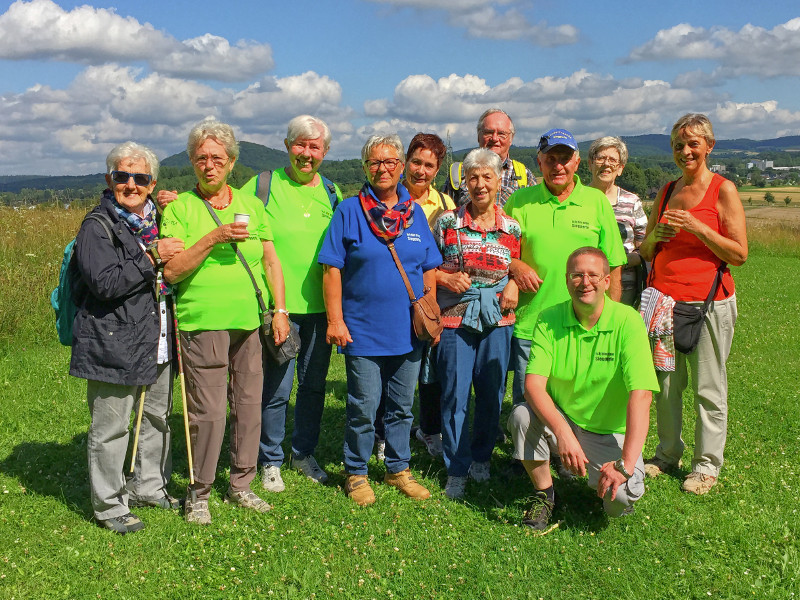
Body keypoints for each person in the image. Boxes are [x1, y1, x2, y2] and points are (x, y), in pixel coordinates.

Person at [161, 118, 290, 524]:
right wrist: (213, 239)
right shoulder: (181, 208)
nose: (210, 165)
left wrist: (280, 309)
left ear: (232, 162)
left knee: (250, 406)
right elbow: (173, 271)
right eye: (202, 158)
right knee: (210, 411)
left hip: (249, 321)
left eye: (218, 158)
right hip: (202, 321)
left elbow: (271, 261)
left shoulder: (251, 206)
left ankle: (241, 484)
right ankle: (198, 491)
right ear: (192, 163)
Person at [318, 134, 442, 506]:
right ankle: (356, 473)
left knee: (403, 406)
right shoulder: (350, 211)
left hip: (408, 332)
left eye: (390, 162)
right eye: (374, 162)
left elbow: (430, 268)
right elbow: (331, 268)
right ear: (365, 168)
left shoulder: (416, 212)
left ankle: (397, 469)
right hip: (363, 331)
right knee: (363, 405)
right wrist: (335, 320)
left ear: (401, 167)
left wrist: (430, 312)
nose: (383, 169)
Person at [70, 142, 184, 534]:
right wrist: (152, 256)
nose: (131, 184)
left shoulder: (158, 219)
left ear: (152, 184)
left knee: (157, 415)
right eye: (122, 177)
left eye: (140, 178)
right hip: (112, 338)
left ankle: (149, 486)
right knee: (112, 426)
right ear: (109, 180)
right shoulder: (96, 227)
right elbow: (104, 283)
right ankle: (109, 504)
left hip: (158, 335)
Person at [507, 247, 659, 531]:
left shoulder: (628, 322)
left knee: (620, 498)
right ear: (567, 280)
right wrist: (564, 434)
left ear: (606, 282)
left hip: (608, 431)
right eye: (576, 275)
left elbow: (642, 395)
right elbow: (533, 386)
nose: (584, 282)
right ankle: (545, 494)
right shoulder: (549, 319)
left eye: (593, 275)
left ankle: (603, 478)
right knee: (521, 417)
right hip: (565, 419)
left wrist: (624, 465)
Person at [639, 113, 747, 495]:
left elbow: (739, 253)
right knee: (666, 385)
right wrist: (658, 236)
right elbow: (645, 247)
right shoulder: (667, 191)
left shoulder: (723, 190)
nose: (685, 151)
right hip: (665, 303)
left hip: (708, 303)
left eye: (693, 144)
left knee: (708, 386)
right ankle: (667, 454)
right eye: (678, 145)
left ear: (709, 146)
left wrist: (699, 228)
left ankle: (706, 466)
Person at [238, 116, 342, 493]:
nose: (306, 153)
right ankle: (270, 459)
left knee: (313, 385)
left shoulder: (332, 192)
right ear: (287, 145)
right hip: (277, 307)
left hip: (320, 309)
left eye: (314, 147)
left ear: (325, 152)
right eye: (300, 145)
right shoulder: (263, 185)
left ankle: (303, 452)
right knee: (277, 387)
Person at [504, 128, 627, 410]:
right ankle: (530, 454)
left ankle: (571, 453)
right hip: (532, 322)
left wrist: (611, 319)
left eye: (565, 159)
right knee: (529, 401)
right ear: (539, 163)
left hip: (585, 323)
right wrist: (516, 264)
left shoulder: (597, 203)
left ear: (577, 163)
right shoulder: (520, 202)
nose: (558, 166)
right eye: (551, 159)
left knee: (579, 398)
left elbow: (615, 266)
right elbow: (499, 251)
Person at [433, 148, 520, 499]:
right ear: (464, 182)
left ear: (499, 181)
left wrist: (513, 283)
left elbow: (517, 263)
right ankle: (457, 466)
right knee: (454, 393)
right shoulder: (447, 222)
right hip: (456, 318)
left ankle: (481, 457)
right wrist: (443, 277)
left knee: (491, 392)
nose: (480, 184)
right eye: (473, 178)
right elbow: (427, 267)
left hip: (498, 319)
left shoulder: (511, 226)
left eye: (487, 177)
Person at [587, 136, 648, 307]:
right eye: (600, 158)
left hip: (625, 288)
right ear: (590, 163)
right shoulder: (578, 199)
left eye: (613, 160)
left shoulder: (632, 201)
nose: (607, 164)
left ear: (620, 168)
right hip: (585, 286)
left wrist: (619, 261)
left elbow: (646, 247)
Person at [441, 108, 536, 207]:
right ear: (478, 136)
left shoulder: (524, 176)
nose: (494, 138)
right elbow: (446, 213)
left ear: (511, 139)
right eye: (488, 132)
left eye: (501, 134)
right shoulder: (458, 173)